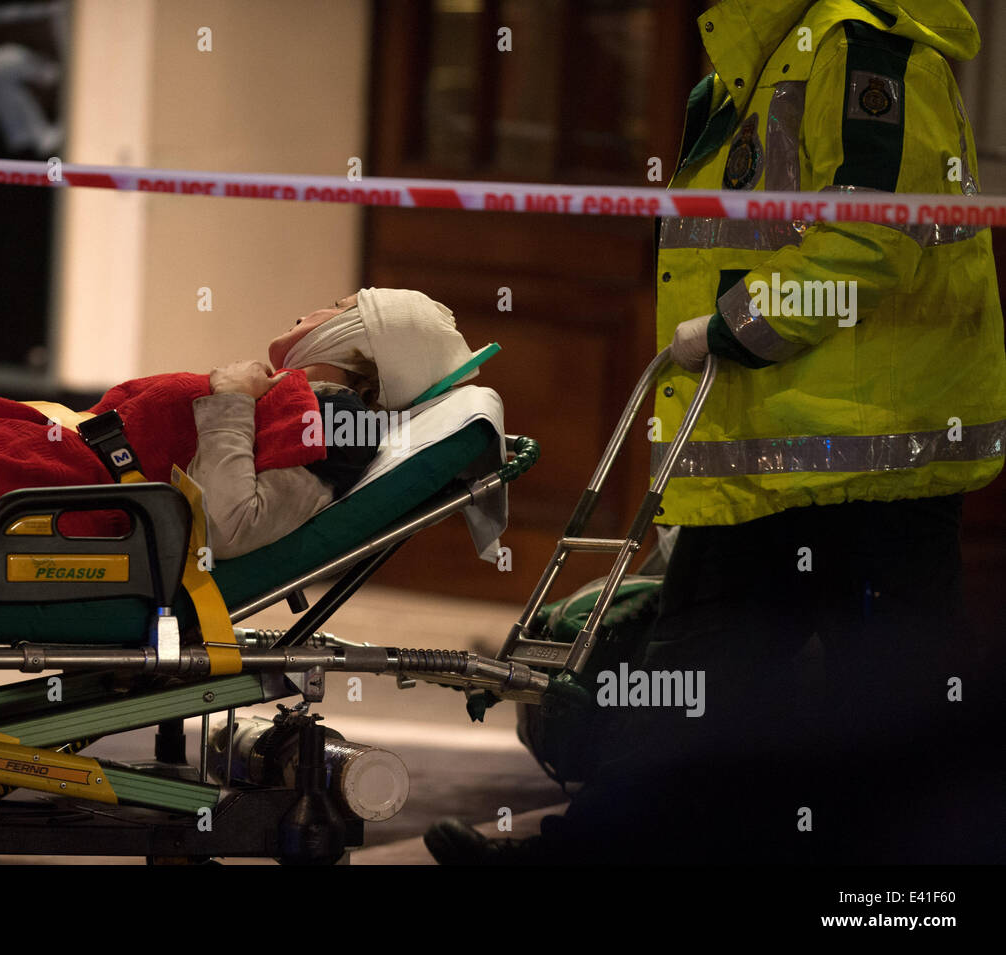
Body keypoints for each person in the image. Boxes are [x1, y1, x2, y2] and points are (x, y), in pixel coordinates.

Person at [427, 0, 1006, 864]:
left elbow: (870, 239)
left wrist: (736, 326)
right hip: (785, 445)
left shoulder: (858, 51)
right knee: (707, 683)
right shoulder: (764, 62)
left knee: (878, 703)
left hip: (859, 453)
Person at [0, 287, 479, 609]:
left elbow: (230, 526)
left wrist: (229, 406)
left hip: (61, 493)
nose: (316, 306)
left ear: (359, 346)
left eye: (340, 306)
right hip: (46, 450)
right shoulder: (300, 402)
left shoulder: (328, 426)